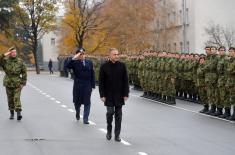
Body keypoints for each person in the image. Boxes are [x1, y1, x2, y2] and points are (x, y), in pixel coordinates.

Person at [99, 48, 129, 142]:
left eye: (117, 54)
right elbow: (101, 82)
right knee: (110, 113)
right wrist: (102, 95)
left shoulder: (122, 66)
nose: (116, 56)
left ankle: (117, 135)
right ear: (109, 55)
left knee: (119, 115)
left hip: (119, 95)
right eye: (114, 54)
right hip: (108, 95)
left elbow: (126, 81)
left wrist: (126, 94)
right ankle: (109, 130)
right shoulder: (104, 66)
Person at [65, 48, 95, 124]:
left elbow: (92, 74)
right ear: (78, 55)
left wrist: (93, 85)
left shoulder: (89, 62)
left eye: (83, 54)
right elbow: (66, 66)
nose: (82, 55)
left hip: (87, 85)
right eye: (80, 54)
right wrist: (74, 58)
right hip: (78, 85)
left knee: (87, 102)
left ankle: (85, 119)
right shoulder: (74, 63)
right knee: (77, 102)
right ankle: (77, 112)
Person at [0, 47, 27, 120]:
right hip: (8, 82)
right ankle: (11, 113)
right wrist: (5, 54)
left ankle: (18, 113)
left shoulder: (20, 61)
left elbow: (24, 72)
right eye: (12, 52)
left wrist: (23, 83)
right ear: (9, 53)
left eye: (15, 52)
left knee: (16, 98)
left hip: (17, 83)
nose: (14, 53)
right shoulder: (5, 61)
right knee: (10, 99)